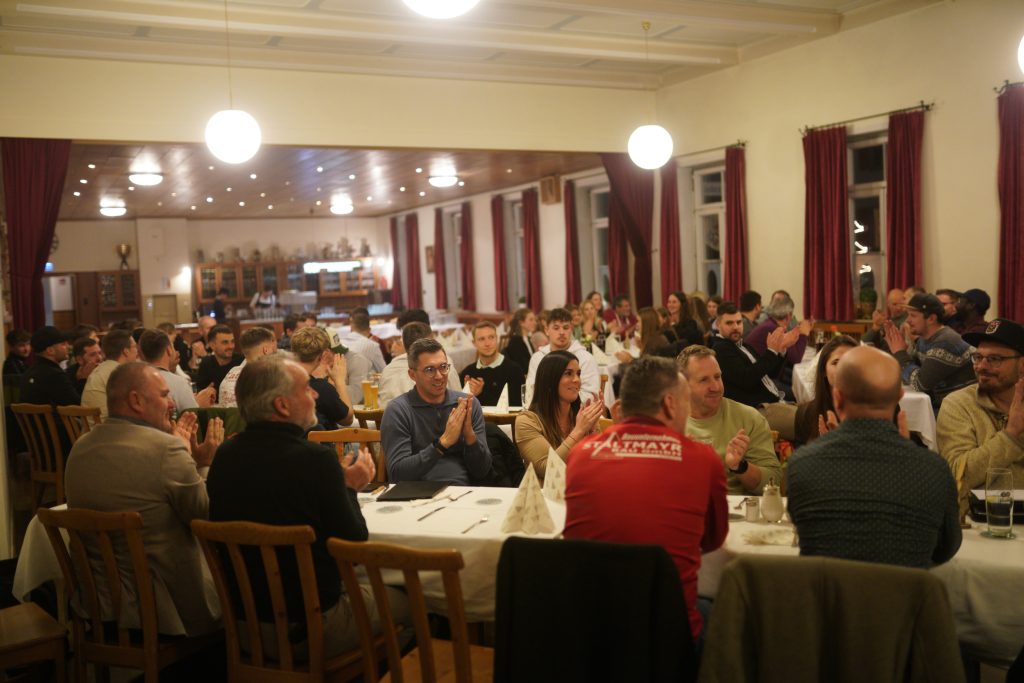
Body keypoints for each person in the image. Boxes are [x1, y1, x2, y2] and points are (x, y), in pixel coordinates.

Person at [207, 356, 405, 657]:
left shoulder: (224, 456)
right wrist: (349, 488)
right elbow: (354, 548)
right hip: (313, 628)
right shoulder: (314, 459)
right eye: (307, 389)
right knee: (417, 599)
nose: (315, 395)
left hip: (246, 629)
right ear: (283, 406)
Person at [563, 356, 728, 643]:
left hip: (590, 633)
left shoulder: (580, 455)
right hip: (669, 634)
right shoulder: (704, 460)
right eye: (686, 402)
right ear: (669, 404)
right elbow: (712, 541)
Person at [65, 362, 223, 636]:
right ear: (136, 400)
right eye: (163, 395)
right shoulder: (166, 449)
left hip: (100, 604)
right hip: (165, 609)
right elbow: (208, 519)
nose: (172, 402)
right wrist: (202, 463)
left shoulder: (80, 447)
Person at [787, 346, 962, 569]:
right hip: (904, 600)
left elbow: (802, 531)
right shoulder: (934, 470)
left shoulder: (803, 465)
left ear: (838, 397)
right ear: (899, 396)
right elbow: (946, 549)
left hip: (827, 600)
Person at [937, 319, 1024, 512]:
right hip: (978, 522)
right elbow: (958, 475)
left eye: (995, 359)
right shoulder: (959, 404)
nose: (981, 366)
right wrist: (1010, 435)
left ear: (1022, 365)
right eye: (978, 357)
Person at [380, 338, 492, 484]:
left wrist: (469, 436)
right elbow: (398, 474)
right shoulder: (398, 410)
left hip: (464, 492)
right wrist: (442, 443)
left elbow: (482, 470)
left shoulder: (467, 404)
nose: (439, 376)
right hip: (415, 497)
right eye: (429, 370)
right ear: (412, 375)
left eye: (443, 367)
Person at [677, 345, 781, 494]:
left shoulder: (748, 418)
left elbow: (773, 481)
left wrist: (741, 466)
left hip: (736, 513)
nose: (715, 387)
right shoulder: (667, 422)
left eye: (717, 377)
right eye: (704, 380)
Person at [515, 351, 603, 481]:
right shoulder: (527, 421)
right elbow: (548, 470)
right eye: (568, 373)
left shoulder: (580, 417)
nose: (577, 380)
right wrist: (579, 431)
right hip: (546, 498)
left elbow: (599, 464)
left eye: (578, 374)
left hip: (581, 490)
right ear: (550, 379)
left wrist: (593, 429)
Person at [883, 293, 976, 412]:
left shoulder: (945, 342)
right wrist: (899, 351)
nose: (908, 321)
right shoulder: (924, 340)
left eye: (913, 316)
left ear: (931, 318)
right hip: (943, 406)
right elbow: (908, 374)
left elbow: (919, 384)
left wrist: (900, 352)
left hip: (960, 411)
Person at [711, 302, 797, 408]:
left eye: (739, 322)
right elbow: (746, 379)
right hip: (757, 408)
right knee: (806, 416)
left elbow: (770, 374)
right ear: (718, 325)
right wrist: (771, 351)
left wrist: (780, 349)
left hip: (774, 400)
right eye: (729, 323)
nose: (735, 327)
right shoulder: (721, 349)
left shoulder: (744, 346)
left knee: (809, 410)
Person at [526, 307, 601, 404]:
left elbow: (590, 396)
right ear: (546, 330)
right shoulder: (538, 358)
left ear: (571, 329)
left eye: (566, 328)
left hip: (577, 414)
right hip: (543, 413)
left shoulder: (585, 358)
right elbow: (531, 392)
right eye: (556, 328)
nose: (561, 332)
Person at [745, 294, 813, 397]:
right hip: (760, 381)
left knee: (800, 382)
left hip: (766, 374)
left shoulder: (770, 324)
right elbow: (796, 358)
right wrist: (804, 334)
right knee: (801, 393)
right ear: (789, 315)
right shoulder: (774, 329)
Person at [378, 322, 460, 407]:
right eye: (429, 370)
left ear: (404, 344)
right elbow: (459, 400)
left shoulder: (388, 369)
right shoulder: (444, 363)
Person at [794, 335, 858, 444]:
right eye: (836, 362)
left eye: (850, 361)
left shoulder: (879, 410)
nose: (843, 367)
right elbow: (802, 458)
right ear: (824, 370)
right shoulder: (806, 413)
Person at [289, 326, 354, 430]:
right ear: (323, 355)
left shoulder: (281, 380)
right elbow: (347, 419)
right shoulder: (321, 388)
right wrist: (340, 381)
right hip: (319, 444)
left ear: (293, 351)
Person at [138, 329, 213, 414]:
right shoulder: (178, 383)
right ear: (169, 350)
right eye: (173, 346)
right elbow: (193, 418)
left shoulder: (136, 380)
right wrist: (200, 405)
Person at [460, 321, 525, 407]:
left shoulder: (514, 370)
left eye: (491, 337)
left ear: (497, 339)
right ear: (474, 343)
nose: (487, 344)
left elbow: (518, 409)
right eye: (481, 339)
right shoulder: (467, 373)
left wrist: (480, 394)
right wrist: (472, 395)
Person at [81, 329, 139, 419]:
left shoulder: (99, 370)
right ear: (126, 351)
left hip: (91, 430)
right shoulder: (121, 373)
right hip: (109, 430)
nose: (137, 351)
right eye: (135, 346)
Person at [217, 326, 277, 407]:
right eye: (273, 350)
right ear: (265, 350)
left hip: (226, 419)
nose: (274, 353)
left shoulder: (231, 372)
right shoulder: (265, 376)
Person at [19, 326, 79, 407]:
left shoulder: (28, 372)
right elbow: (77, 405)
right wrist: (82, 380)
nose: (68, 347)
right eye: (63, 344)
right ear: (50, 351)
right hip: (55, 419)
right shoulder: (54, 375)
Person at [194, 325, 244, 403]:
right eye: (225, 342)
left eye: (232, 341)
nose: (231, 346)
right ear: (212, 345)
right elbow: (200, 391)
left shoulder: (241, 361)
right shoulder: (206, 363)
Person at [862, 288, 907, 353]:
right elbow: (864, 342)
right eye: (894, 304)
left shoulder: (907, 320)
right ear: (888, 304)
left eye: (901, 304)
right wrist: (875, 327)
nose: (898, 308)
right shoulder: (883, 321)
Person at [503, 308, 537, 373]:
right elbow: (521, 366)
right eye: (531, 320)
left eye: (535, 320)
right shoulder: (516, 341)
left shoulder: (527, 339)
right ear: (521, 323)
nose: (535, 323)